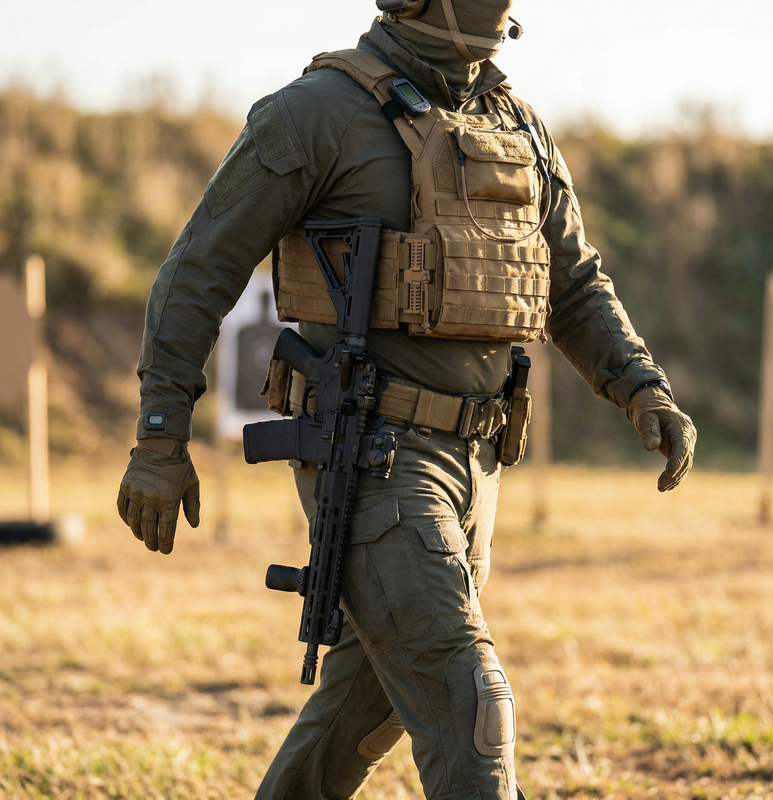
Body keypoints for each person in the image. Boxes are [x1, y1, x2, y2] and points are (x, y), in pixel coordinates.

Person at [116, 2, 697, 798]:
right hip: (374, 458)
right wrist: (160, 436)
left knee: (366, 706)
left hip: (478, 462)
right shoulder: (316, 114)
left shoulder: (518, 126)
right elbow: (197, 270)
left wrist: (640, 386)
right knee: (470, 704)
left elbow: (573, 283)